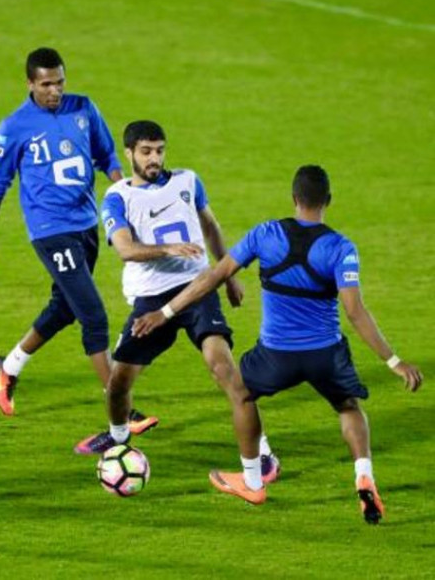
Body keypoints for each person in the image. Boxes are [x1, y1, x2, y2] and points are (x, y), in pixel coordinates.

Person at [132, 165, 423, 523]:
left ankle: (253, 481)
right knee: (347, 407)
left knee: (241, 395)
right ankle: (364, 475)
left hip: (276, 356)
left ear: (293, 199)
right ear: (327, 201)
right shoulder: (341, 248)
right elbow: (355, 312)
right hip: (325, 354)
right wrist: (394, 361)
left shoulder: (265, 234)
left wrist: (165, 311)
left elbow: (214, 276)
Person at [74, 120, 277, 505]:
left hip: (197, 291)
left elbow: (211, 225)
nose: (155, 159)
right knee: (118, 382)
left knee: (225, 369)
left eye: (160, 150)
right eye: (147, 151)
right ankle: (118, 439)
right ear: (130, 153)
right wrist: (169, 249)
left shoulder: (187, 181)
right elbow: (125, 250)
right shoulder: (117, 198)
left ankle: (261, 456)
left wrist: (227, 274)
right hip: (150, 301)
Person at [0, 47, 156, 433]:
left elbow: (107, 155)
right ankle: (121, 408)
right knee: (93, 314)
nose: (54, 90)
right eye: (46, 84)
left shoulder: (83, 108)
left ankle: (8, 369)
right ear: (29, 84)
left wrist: (125, 191)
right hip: (49, 231)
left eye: (59, 82)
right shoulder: (14, 126)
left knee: (64, 307)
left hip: (86, 225)